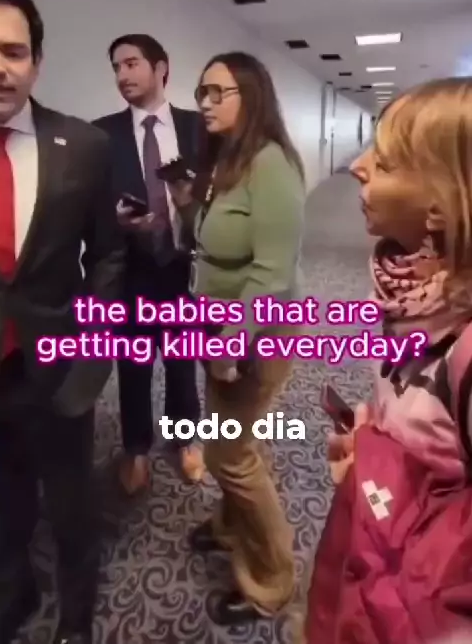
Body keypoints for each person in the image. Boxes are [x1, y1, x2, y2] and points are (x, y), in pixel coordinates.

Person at [305, 78, 472, 643]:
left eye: (386, 160)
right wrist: (374, 439)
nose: (357, 166)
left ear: (441, 205)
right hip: (374, 549)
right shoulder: (413, 297)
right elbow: (417, 411)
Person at [0, 0, 125, 644]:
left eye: (12, 51)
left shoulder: (85, 147)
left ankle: (76, 617)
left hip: (58, 369)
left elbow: (109, 258)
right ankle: (11, 597)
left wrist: (90, 363)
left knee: (72, 507)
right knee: (3, 499)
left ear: (36, 63)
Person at [172, 52, 305, 626]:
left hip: (256, 333)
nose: (203, 103)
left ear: (250, 97)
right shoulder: (227, 159)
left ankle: (273, 580)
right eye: (200, 93)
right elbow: (211, 244)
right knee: (228, 430)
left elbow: (272, 272)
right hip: (217, 324)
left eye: (216, 93)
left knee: (230, 455)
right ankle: (230, 527)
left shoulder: (272, 164)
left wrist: (233, 341)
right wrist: (186, 207)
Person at [94, 34, 204, 493]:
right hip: (132, 271)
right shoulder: (101, 135)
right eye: (116, 67)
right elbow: (90, 207)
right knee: (133, 364)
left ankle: (186, 438)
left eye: (132, 63)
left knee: (182, 360)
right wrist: (115, 221)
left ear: (161, 68)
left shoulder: (199, 128)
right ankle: (136, 448)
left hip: (186, 268)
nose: (122, 75)